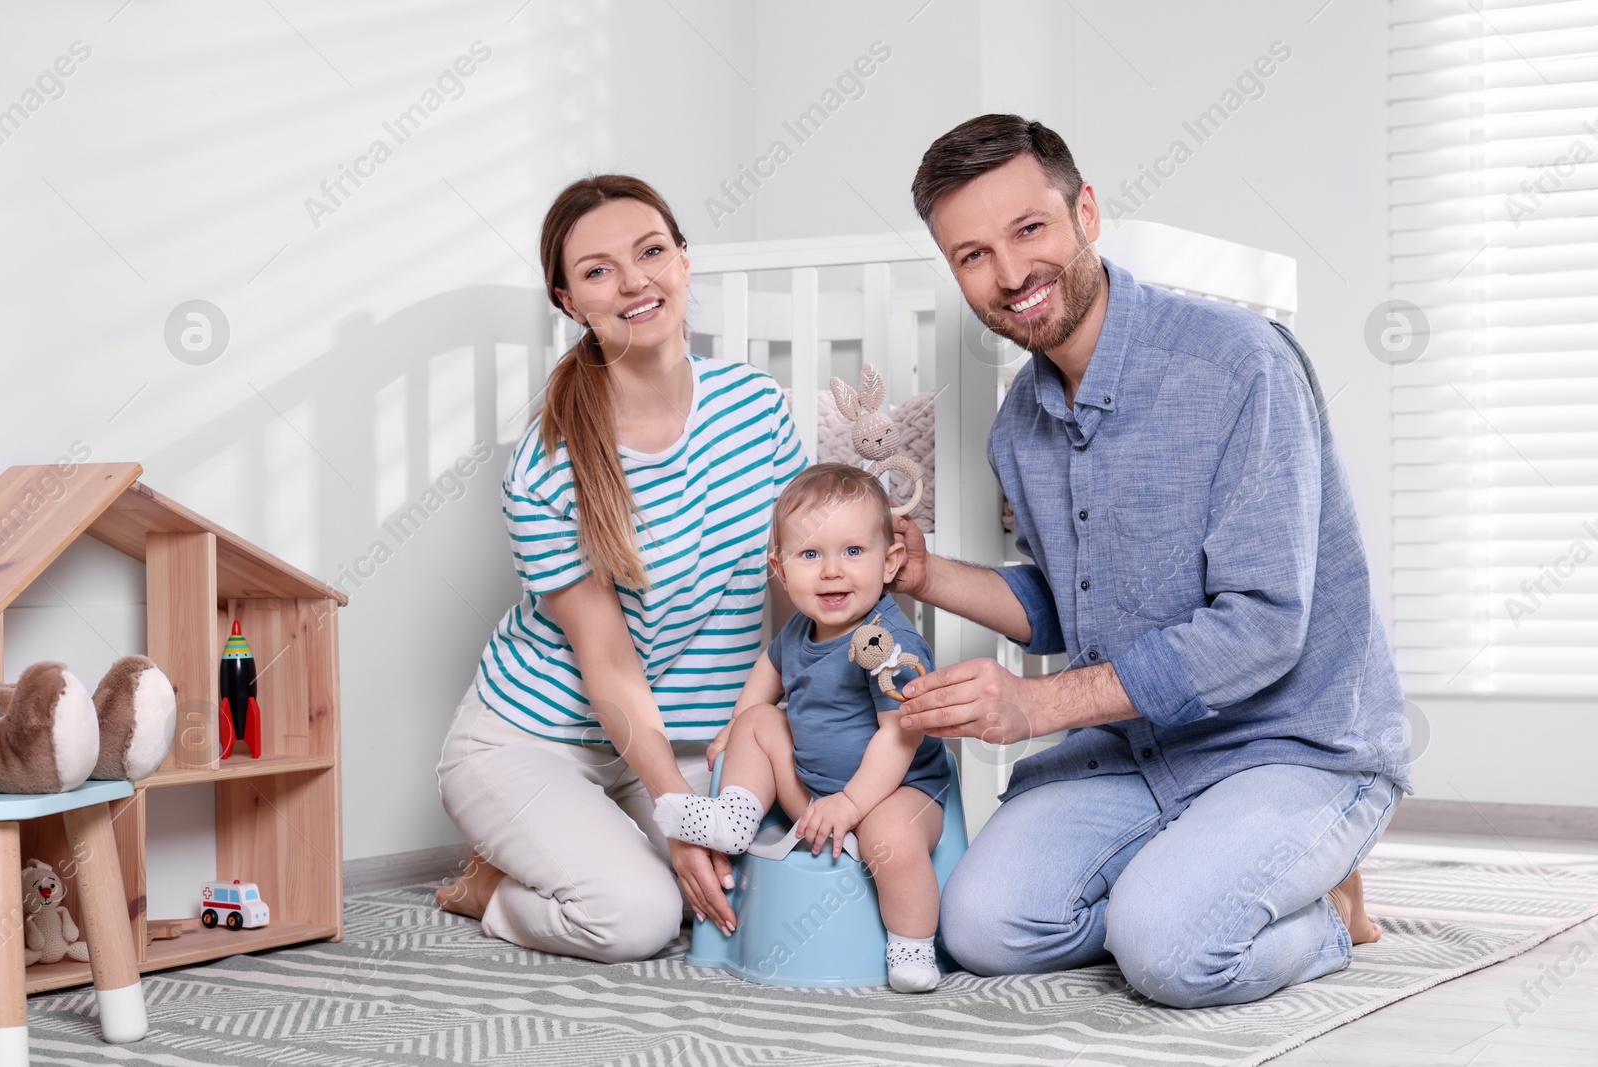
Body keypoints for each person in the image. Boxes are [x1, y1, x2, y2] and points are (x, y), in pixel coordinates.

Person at [889, 114, 1412, 1008]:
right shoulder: (1020, 427)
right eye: (972, 255)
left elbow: (1260, 631)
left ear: (1085, 211)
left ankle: (1326, 907)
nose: (1010, 275)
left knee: (1169, 953)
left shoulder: (1242, 365)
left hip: (1296, 744)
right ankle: (1194, 884)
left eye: (1028, 229)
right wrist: (923, 571)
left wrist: (1035, 703)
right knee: (980, 928)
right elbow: (1075, 606)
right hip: (1141, 749)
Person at [434, 174, 806, 961]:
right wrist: (677, 815)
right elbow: (606, 665)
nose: (635, 281)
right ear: (569, 301)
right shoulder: (544, 466)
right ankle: (490, 888)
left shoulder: (758, 409)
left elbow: (796, 586)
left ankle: (602, 842)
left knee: (764, 888)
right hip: (534, 738)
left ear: (683, 262)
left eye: (651, 252)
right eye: (600, 270)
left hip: (681, 738)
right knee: (639, 918)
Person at [653, 464, 952, 992]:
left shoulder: (890, 643)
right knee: (757, 720)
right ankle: (735, 816)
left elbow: (898, 736)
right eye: (810, 554)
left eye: (853, 552)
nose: (831, 571)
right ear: (781, 569)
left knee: (893, 841)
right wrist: (734, 733)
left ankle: (912, 943)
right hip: (813, 798)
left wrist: (854, 804)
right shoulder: (797, 631)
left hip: (896, 792)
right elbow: (766, 674)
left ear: (891, 563)